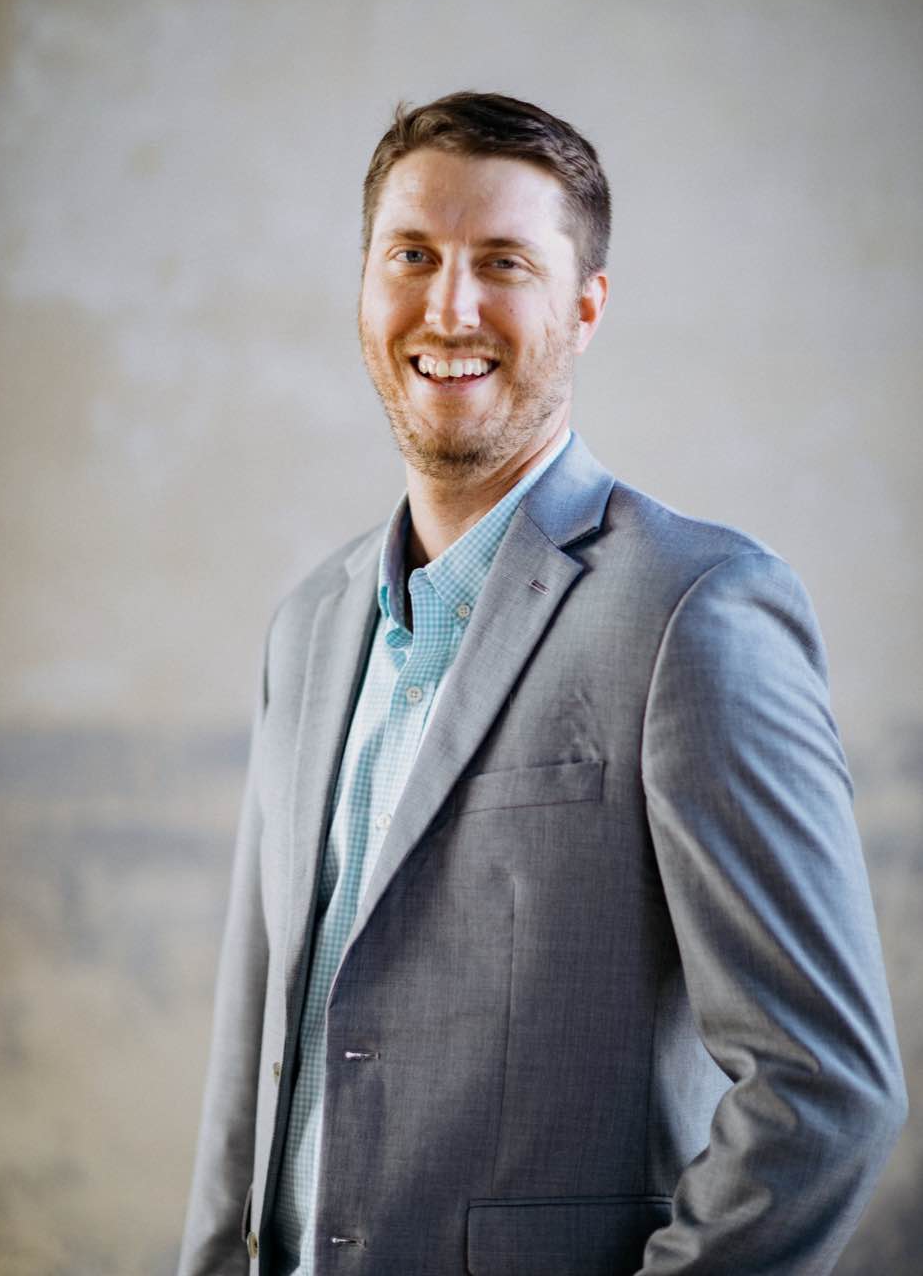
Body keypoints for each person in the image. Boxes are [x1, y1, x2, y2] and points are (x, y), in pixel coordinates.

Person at [177, 92, 906, 1276]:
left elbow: (825, 1090)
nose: (448, 306)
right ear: (364, 284)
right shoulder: (307, 624)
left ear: (586, 304)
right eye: (411, 254)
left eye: (503, 261)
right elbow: (249, 1064)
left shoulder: (696, 610)